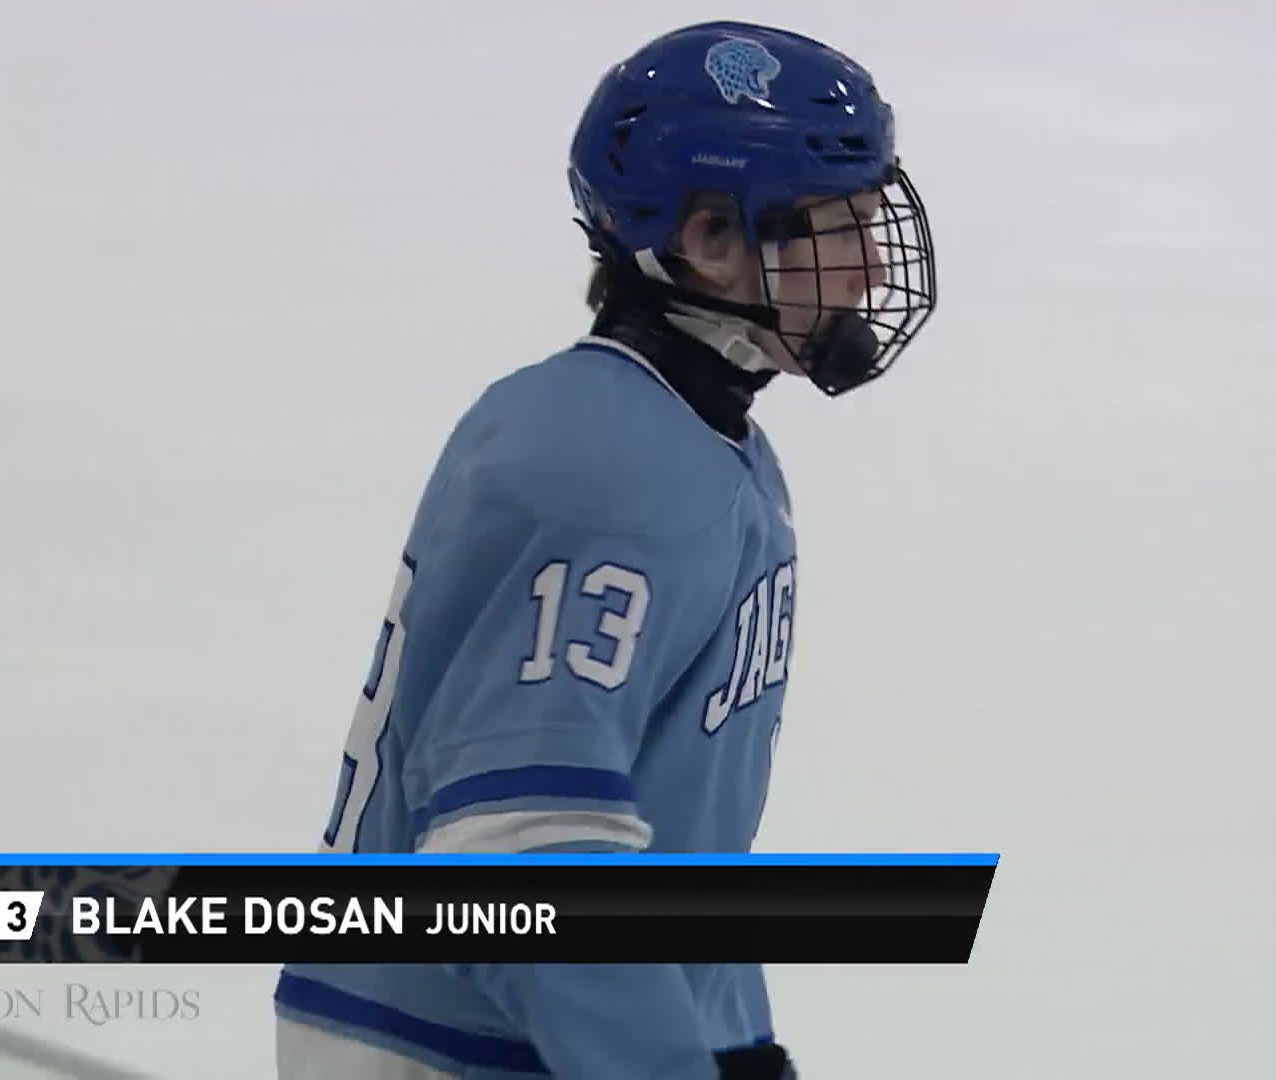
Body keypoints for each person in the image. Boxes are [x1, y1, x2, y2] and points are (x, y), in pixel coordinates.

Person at [274, 19, 938, 1080]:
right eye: (839, 226)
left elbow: (679, 824)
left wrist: (728, 1043)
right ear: (709, 239)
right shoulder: (596, 462)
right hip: (460, 1047)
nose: (868, 269)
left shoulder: (702, 441)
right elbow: (522, 850)